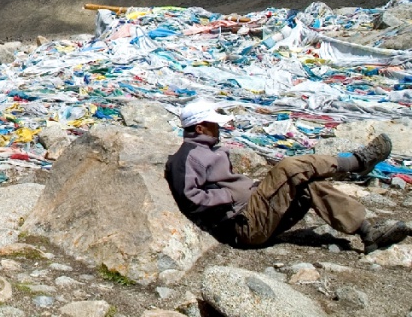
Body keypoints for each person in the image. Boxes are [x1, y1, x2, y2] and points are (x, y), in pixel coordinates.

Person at [165, 99, 410, 253]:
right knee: (288, 167)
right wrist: (230, 196)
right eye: (213, 124)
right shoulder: (187, 157)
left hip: (253, 213)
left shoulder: (209, 151)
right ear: (200, 127)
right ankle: (355, 162)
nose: (218, 127)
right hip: (243, 225)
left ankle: (367, 232)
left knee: (308, 184)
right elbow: (191, 199)